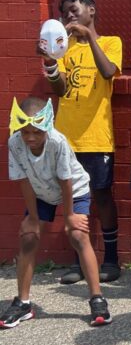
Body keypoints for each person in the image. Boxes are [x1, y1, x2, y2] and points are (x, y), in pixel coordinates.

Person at [1, 97, 112, 329]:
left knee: (78, 235)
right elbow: (23, 181)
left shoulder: (58, 142)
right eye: (26, 132)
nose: (31, 138)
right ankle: (23, 303)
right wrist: (32, 218)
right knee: (28, 238)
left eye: (37, 132)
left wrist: (69, 216)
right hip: (40, 191)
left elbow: (66, 180)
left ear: (47, 127)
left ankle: (97, 299)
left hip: (73, 189)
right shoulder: (14, 143)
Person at [40, 0, 122, 284]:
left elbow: (108, 71)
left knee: (101, 196)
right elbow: (60, 90)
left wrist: (90, 37)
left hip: (97, 136)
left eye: (73, 10)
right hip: (66, 137)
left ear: (91, 10)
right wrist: (51, 63)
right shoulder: (65, 49)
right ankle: (78, 261)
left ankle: (111, 260)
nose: (69, 16)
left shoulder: (111, 42)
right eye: (65, 13)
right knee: (73, 199)